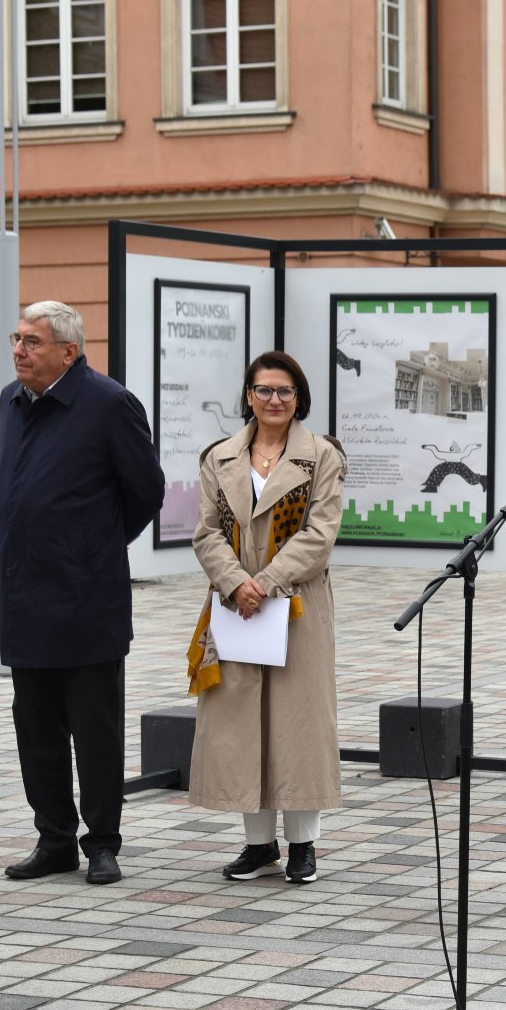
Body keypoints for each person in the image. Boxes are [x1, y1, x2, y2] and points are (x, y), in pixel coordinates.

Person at [0, 302, 164, 885]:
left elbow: (146, 491)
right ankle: (54, 839)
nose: (19, 350)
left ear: (68, 351)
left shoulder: (109, 403)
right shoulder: (11, 402)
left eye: (32, 342)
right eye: (17, 339)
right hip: (24, 593)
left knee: (94, 728)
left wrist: (93, 546)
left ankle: (104, 842)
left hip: (87, 596)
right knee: (34, 725)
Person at [185, 351, 345, 884]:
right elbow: (206, 531)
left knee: (298, 725)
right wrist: (237, 583)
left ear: (299, 397)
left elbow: (320, 535)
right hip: (235, 606)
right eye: (263, 390)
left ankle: (304, 845)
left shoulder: (321, 456)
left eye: (284, 391)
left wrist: (268, 583)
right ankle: (258, 844)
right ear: (248, 395)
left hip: (296, 604)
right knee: (241, 722)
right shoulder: (220, 457)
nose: (273, 400)